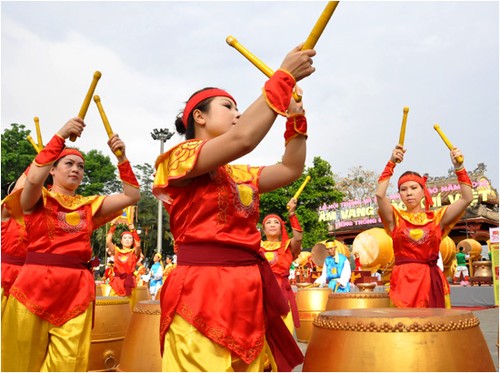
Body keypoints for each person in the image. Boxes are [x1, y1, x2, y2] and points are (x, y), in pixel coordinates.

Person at [152, 44, 315, 372]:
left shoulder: (241, 174)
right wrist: (282, 79)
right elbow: (243, 138)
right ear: (198, 116)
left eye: (239, 108)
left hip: (248, 291)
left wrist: (295, 117)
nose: (237, 113)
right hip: (201, 290)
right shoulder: (179, 157)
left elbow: (290, 169)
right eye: (228, 106)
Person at [1, 117, 141, 371]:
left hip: (76, 293)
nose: (76, 169)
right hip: (32, 288)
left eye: (80, 165)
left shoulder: (90, 205)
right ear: (52, 170)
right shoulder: (36, 200)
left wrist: (122, 159)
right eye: (68, 163)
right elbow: (32, 181)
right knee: (19, 364)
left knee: (68, 365)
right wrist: (61, 136)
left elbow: (132, 196)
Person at [375, 143, 473, 308]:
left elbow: (466, 198)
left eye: (414, 188)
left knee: (433, 330)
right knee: (402, 329)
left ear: (423, 191)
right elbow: (379, 194)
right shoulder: (395, 217)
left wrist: (459, 167)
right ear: (399, 194)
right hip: (403, 284)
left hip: (431, 281)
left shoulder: (437, 218)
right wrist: (391, 163)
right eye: (403, 189)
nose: (409, 193)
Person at [260, 197, 303, 334]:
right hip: (261, 293)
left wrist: (292, 214)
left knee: (284, 332)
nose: (272, 225)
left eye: (276, 222)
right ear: (263, 228)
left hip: (282, 294)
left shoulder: (288, 246)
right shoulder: (256, 246)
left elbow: (298, 238)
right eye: (269, 223)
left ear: (281, 227)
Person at [1, 171, 28, 313]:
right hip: (5, 275)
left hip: (28, 277)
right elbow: (17, 192)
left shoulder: (37, 220)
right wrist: (39, 165)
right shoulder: (5, 214)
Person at [106, 222, 142, 298]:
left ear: (132, 242)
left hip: (129, 283)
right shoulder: (116, 251)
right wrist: (112, 227)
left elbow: (138, 245)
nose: (127, 240)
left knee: (129, 307)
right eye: (125, 238)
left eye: (130, 238)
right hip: (117, 283)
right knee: (115, 307)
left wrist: (133, 231)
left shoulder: (134, 253)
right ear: (121, 241)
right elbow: (108, 241)